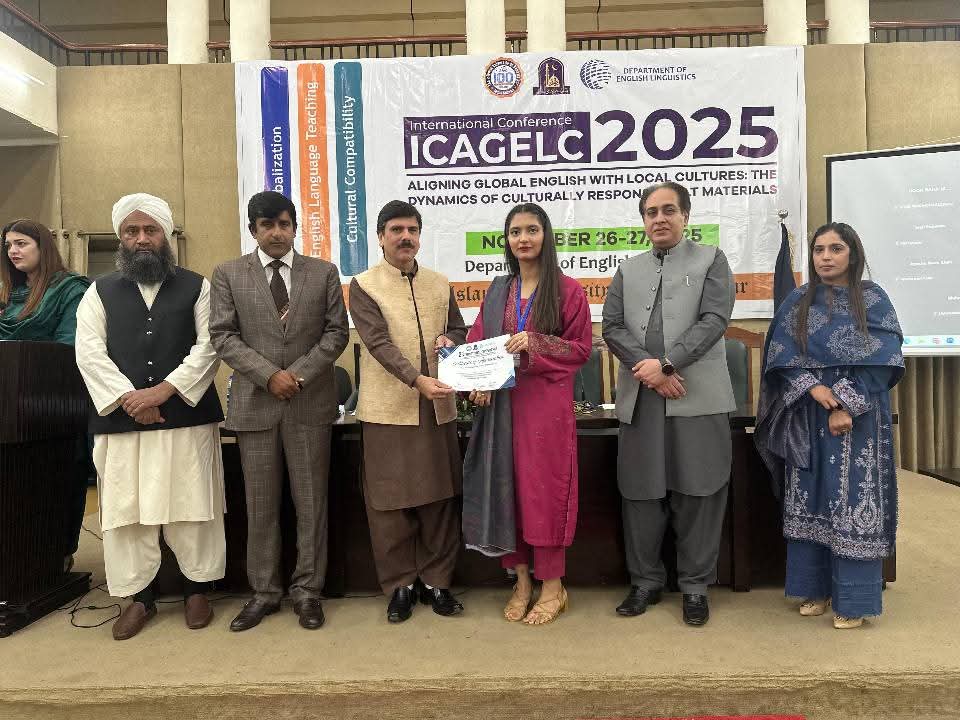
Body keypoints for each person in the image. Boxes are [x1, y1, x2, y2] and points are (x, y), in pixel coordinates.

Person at [75, 193, 225, 640]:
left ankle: (197, 589)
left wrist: (163, 391)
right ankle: (138, 598)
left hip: (185, 416)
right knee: (127, 511)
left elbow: (210, 346)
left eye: (150, 230)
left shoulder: (198, 286)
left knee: (193, 505)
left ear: (166, 235)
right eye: (132, 231)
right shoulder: (98, 291)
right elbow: (89, 352)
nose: (141, 239)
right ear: (121, 238)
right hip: (121, 421)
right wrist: (130, 399)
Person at [209, 191, 349, 631]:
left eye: (284, 224)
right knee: (260, 506)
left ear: (295, 228)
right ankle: (264, 593)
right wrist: (269, 375)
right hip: (255, 405)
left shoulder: (323, 273)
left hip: (309, 404)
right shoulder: (228, 274)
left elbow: (336, 333)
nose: (276, 233)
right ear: (253, 229)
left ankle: (308, 591)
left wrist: (297, 375)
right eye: (267, 225)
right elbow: (223, 335)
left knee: (311, 504)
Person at [755, 222, 903, 629]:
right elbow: (780, 357)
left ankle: (853, 601)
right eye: (819, 249)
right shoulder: (798, 300)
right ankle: (815, 589)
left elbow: (884, 360)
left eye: (835, 248)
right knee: (811, 498)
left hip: (859, 421)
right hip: (807, 414)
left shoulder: (873, 300)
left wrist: (843, 405)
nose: (825, 256)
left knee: (853, 503)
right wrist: (814, 388)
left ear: (852, 254)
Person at [602, 182, 736, 626]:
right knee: (640, 492)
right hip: (642, 397)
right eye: (651, 212)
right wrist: (649, 369)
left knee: (700, 491)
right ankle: (645, 581)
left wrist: (667, 363)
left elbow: (715, 319)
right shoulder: (628, 269)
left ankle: (695, 586)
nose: (659, 219)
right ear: (643, 220)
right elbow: (612, 326)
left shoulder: (712, 259)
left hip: (697, 396)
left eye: (668, 210)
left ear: (685, 216)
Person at [463, 203, 592, 625]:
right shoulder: (498, 290)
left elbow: (581, 349)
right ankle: (520, 582)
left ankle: (553, 586)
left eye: (532, 230)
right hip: (502, 406)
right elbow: (479, 341)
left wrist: (536, 342)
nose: (523, 238)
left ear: (546, 235)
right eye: (515, 231)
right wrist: (477, 380)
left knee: (544, 494)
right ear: (507, 240)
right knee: (508, 491)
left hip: (545, 409)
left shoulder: (568, 290)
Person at [349, 200, 467, 623]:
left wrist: (452, 341)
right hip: (388, 411)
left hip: (437, 409)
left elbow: (458, 328)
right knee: (389, 505)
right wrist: (417, 380)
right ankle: (400, 585)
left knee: (440, 500)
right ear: (380, 237)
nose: (405, 237)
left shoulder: (439, 282)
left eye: (412, 230)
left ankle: (438, 582)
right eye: (396, 230)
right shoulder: (364, 285)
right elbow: (378, 343)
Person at [1, 218, 92, 573]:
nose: (13, 251)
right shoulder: (8, 296)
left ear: (44, 247)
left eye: (21, 243)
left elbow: (70, 346)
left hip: (54, 406)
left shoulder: (70, 290)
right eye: (9, 245)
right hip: (9, 412)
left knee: (58, 481)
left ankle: (57, 552)